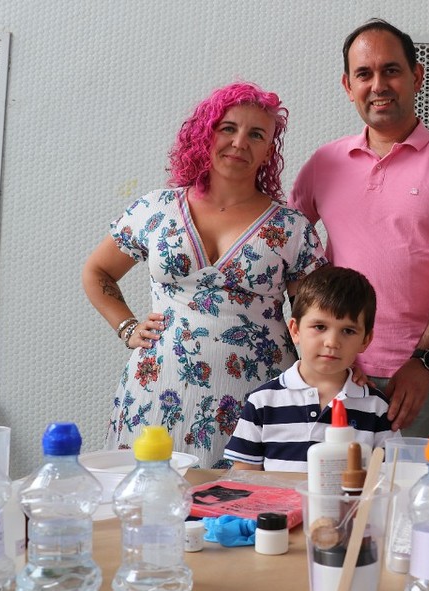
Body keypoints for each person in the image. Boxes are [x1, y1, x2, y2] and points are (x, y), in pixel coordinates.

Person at [82, 82, 328, 468]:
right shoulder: (156, 209)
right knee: (152, 495)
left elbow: (316, 317)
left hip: (256, 400)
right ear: (205, 133)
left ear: (269, 150)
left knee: (242, 501)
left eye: (256, 134)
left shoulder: (292, 228)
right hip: (157, 391)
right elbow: (98, 272)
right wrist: (127, 327)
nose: (240, 142)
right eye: (228, 128)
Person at [289, 19, 429, 439]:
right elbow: (284, 253)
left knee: (426, 481)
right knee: (335, 478)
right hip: (338, 372)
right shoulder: (324, 163)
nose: (378, 85)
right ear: (348, 86)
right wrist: (324, 343)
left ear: (416, 76)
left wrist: (424, 362)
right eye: (364, 74)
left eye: (391, 70)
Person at [223, 265, 398, 471]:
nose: (332, 342)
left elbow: (390, 477)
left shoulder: (377, 408)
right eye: (320, 327)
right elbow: (244, 476)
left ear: (365, 340)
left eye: (348, 331)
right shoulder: (262, 402)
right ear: (295, 330)